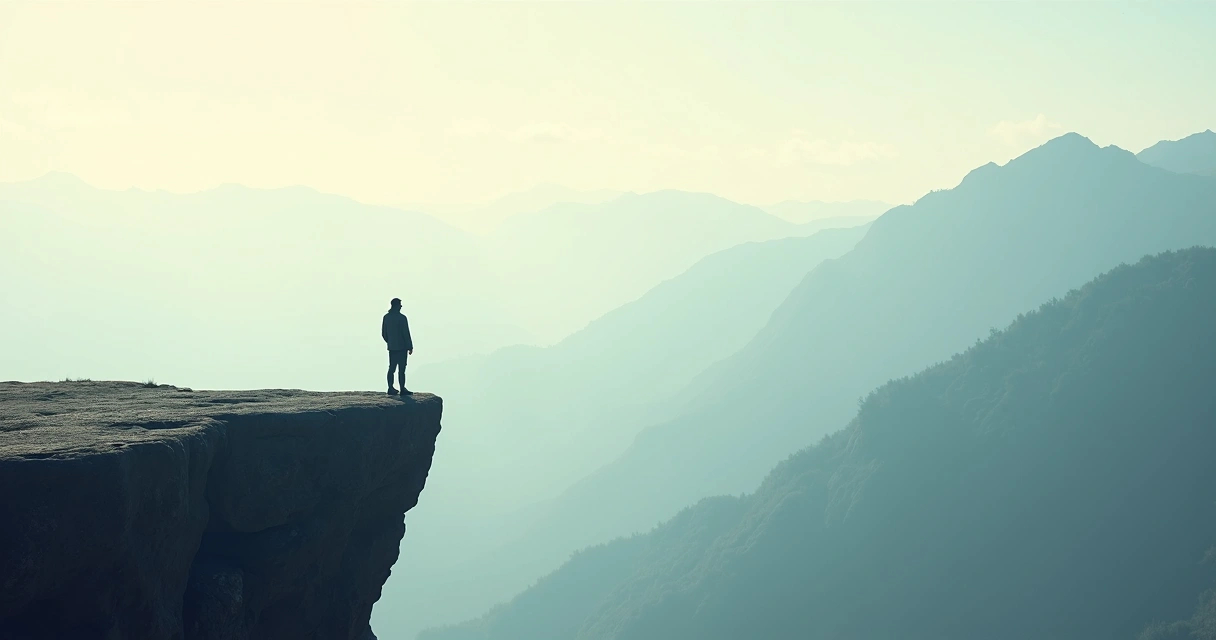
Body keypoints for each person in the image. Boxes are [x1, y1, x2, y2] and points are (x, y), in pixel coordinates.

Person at [382, 298, 413, 395]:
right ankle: (402, 388)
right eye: (400, 304)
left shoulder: (386, 317)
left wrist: (390, 342)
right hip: (402, 347)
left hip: (392, 347)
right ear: (396, 306)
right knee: (402, 369)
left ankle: (390, 388)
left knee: (391, 368)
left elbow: (384, 333)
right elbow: (406, 333)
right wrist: (409, 346)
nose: (401, 306)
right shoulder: (402, 318)